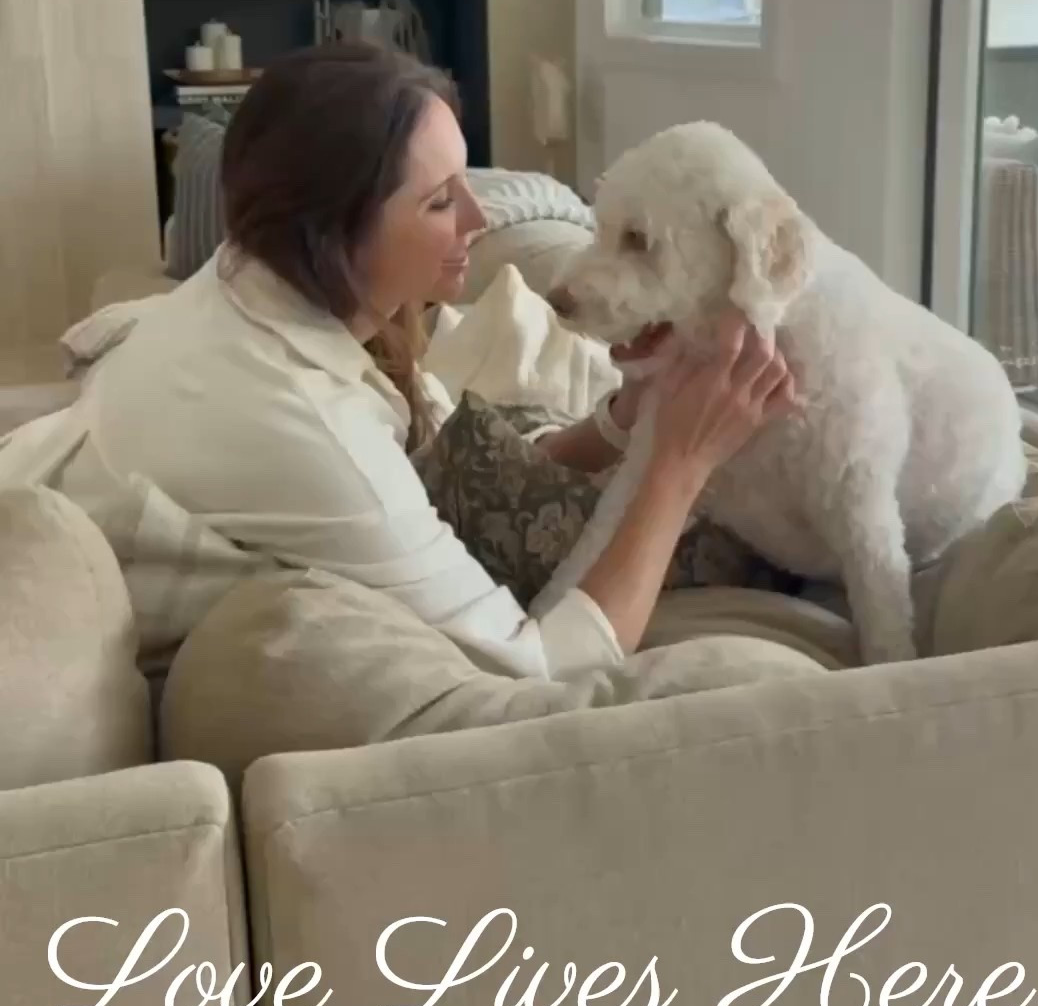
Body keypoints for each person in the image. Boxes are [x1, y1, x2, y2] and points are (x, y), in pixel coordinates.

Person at [11, 45, 798, 681]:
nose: (478, 218)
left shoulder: (248, 272)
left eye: (466, 180)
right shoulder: (306, 431)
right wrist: (679, 465)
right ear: (330, 235)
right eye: (439, 201)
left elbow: (437, 466)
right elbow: (540, 668)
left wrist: (624, 420)